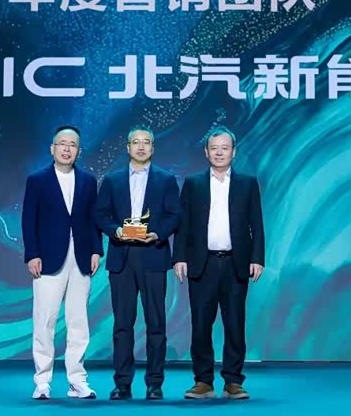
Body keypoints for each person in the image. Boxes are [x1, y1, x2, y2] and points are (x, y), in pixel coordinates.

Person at [172, 125, 265, 400]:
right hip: (203, 264)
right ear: (206, 152)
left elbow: (257, 225)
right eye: (214, 148)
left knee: (235, 324)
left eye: (225, 148)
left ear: (234, 152)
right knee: (201, 325)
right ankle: (203, 381)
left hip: (236, 263)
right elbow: (183, 224)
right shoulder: (193, 183)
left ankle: (233, 381)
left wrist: (257, 258)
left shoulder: (247, 183)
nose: (220, 152)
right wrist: (179, 257)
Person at [94, 125, 182, 400]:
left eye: (146, 142)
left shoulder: (166, 179)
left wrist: (158, 233)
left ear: (152, 148)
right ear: (128, 147)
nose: (141, 146)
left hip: (153, 254)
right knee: (123, 324)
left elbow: (175, 215)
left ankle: (154, 383)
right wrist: (116, 231)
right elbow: (100, 214)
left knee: (156, 323)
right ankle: (122, 383)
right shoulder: (113, 180)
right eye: (136, 142)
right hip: (122, 256)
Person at [21, 125, 103, 400]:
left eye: (73, 145)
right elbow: (28, 220)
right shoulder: (37, 180)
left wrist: (96, 250)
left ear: (79, 151)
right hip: (47, 258)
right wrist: (32, 254)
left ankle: (77, 381)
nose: (67, 149)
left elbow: (93, 219)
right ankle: (42, 382)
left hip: (80, 258)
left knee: (78, 321)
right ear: (52, 148)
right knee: (44, 321)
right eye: (62, 144)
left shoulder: (88, 181)